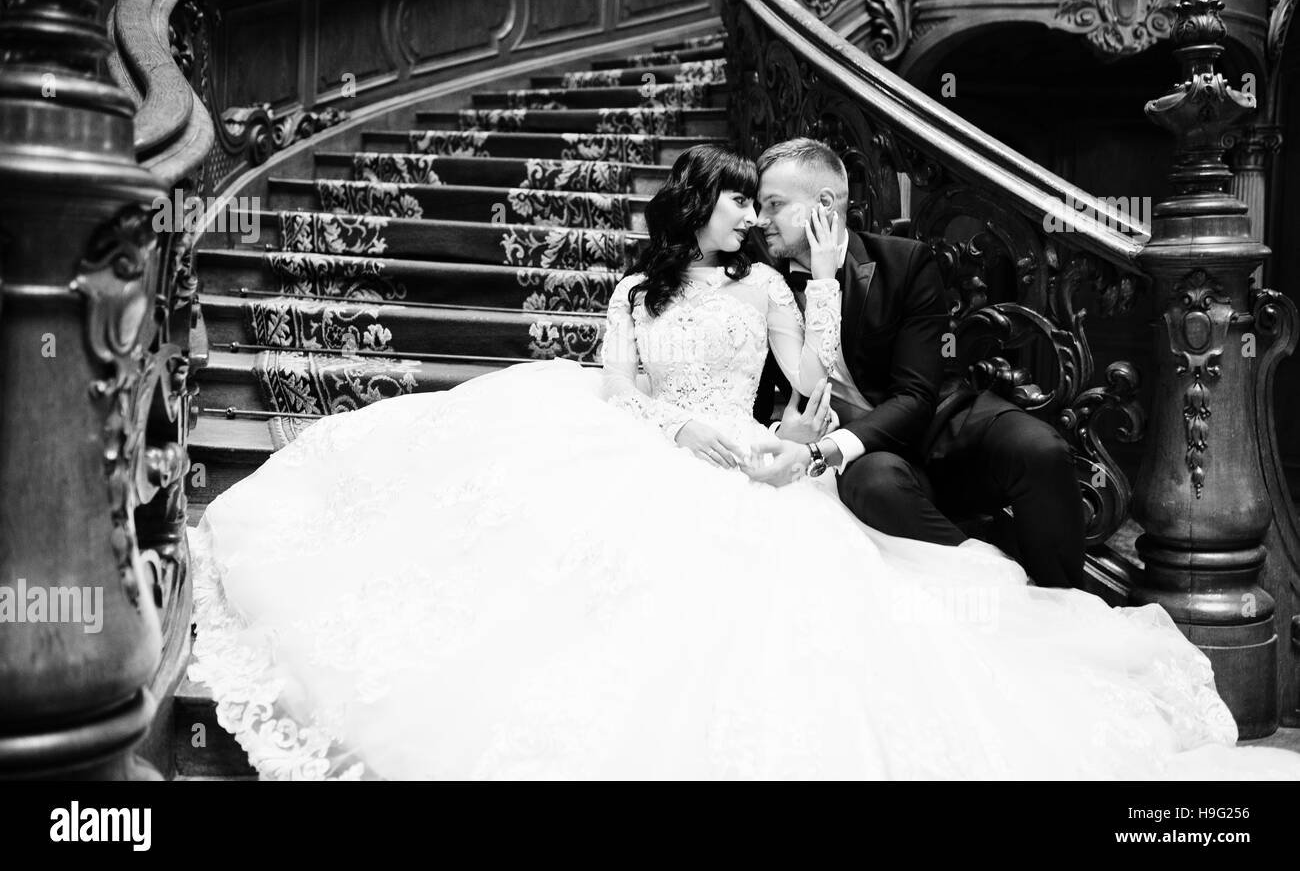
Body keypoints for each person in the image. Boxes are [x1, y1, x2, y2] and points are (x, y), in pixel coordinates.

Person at [189, 144, 1300, 780]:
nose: (752, 217)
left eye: (763, 204)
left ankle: (1024, 582)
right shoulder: (633, 290)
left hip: (791, 451)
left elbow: (814, 385)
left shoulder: (780, 281)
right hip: (648, 444)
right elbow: (619, 385)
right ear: (703, 209)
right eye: (742, 203)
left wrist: (815, 303)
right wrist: (682, 430)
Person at [752, 138, 1085, 588]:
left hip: (940, 425)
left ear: (824, 204)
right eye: (757, 205)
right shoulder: (760, 285)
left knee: (1041, 450)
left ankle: (1063, 602)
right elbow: (750, 398)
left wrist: (819, 450)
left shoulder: (903, 262)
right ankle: (1003, 599)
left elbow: (916, 395)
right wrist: (784, 433)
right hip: (863, 460)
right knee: (875, 484)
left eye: (773, 204)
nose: (759, 219)